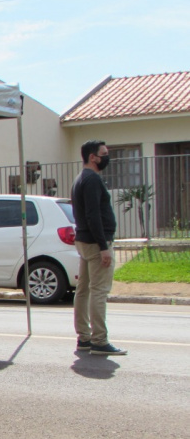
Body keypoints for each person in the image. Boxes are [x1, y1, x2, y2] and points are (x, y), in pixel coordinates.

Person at [71, 140, 128, 356]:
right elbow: (93, 214)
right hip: (95, 244)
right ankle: (99, 340)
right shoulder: (92, 179)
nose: (106, 157)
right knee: (98, 291)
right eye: (103, 154)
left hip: (84, 241)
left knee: (83, 290)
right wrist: (103, 246)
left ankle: (84, 337)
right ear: (92, 157)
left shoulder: (80, 178)